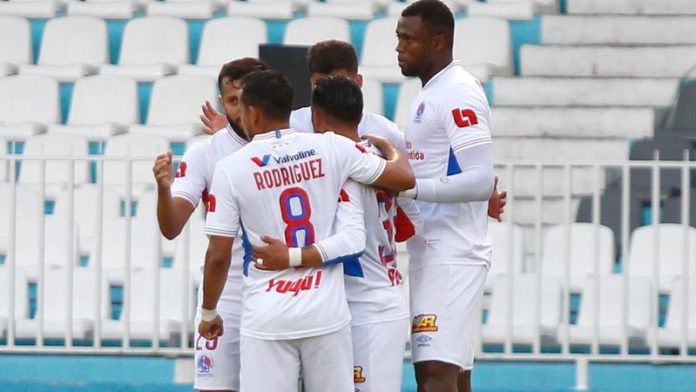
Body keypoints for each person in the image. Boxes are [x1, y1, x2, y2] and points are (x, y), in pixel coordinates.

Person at [198, 70, 415, 392]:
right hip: (325, 312)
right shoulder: (331, 149)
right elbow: (403, 178)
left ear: (253, 113)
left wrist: (209, 312)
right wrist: (388, 148)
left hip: (267, 314)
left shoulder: (231, 168)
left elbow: (218, 255)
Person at [199, 40, 506, 221]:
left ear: (358, 83)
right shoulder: (293, 125)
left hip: (363, 270)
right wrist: (228, 135)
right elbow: (255, 165)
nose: (329, 91)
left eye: (341, 82)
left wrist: (476, 206)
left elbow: (417, 189)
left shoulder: (385, 134)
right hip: (314, 266)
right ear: (310, 84)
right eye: (321, 84)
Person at [395, 1, 496, 391]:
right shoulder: (432, 92)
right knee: (453, 375)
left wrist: (414, 188)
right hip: (434, 249)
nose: (399, 47)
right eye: (398, 38)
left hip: (452, 252)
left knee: (434, 373)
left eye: (409, 39)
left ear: (439, 41)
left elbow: (479, 180)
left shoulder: (457, 92)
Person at [152, 57, 267, 392]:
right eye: (232, 102)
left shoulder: (291, 147)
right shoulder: (204, 153)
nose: (241, 110)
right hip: (226, 295)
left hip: (277, 292)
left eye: (246, 100)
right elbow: (172, 226)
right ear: (222, 102)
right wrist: (163, 189)